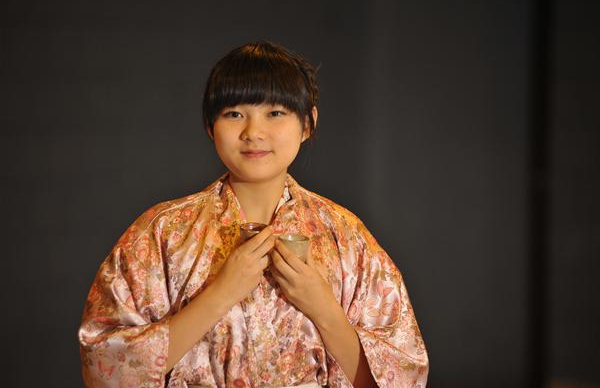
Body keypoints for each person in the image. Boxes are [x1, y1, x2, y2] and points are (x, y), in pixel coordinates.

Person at [78, 42, 429, 388]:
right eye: (234, 114)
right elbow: (103, 366)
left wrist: (323, 306)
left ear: (308, 123)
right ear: (209, 125)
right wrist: (220, 294)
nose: (253, 132)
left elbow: (403, 376)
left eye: (275, 113)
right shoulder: (161, 233)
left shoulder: (347, 236)